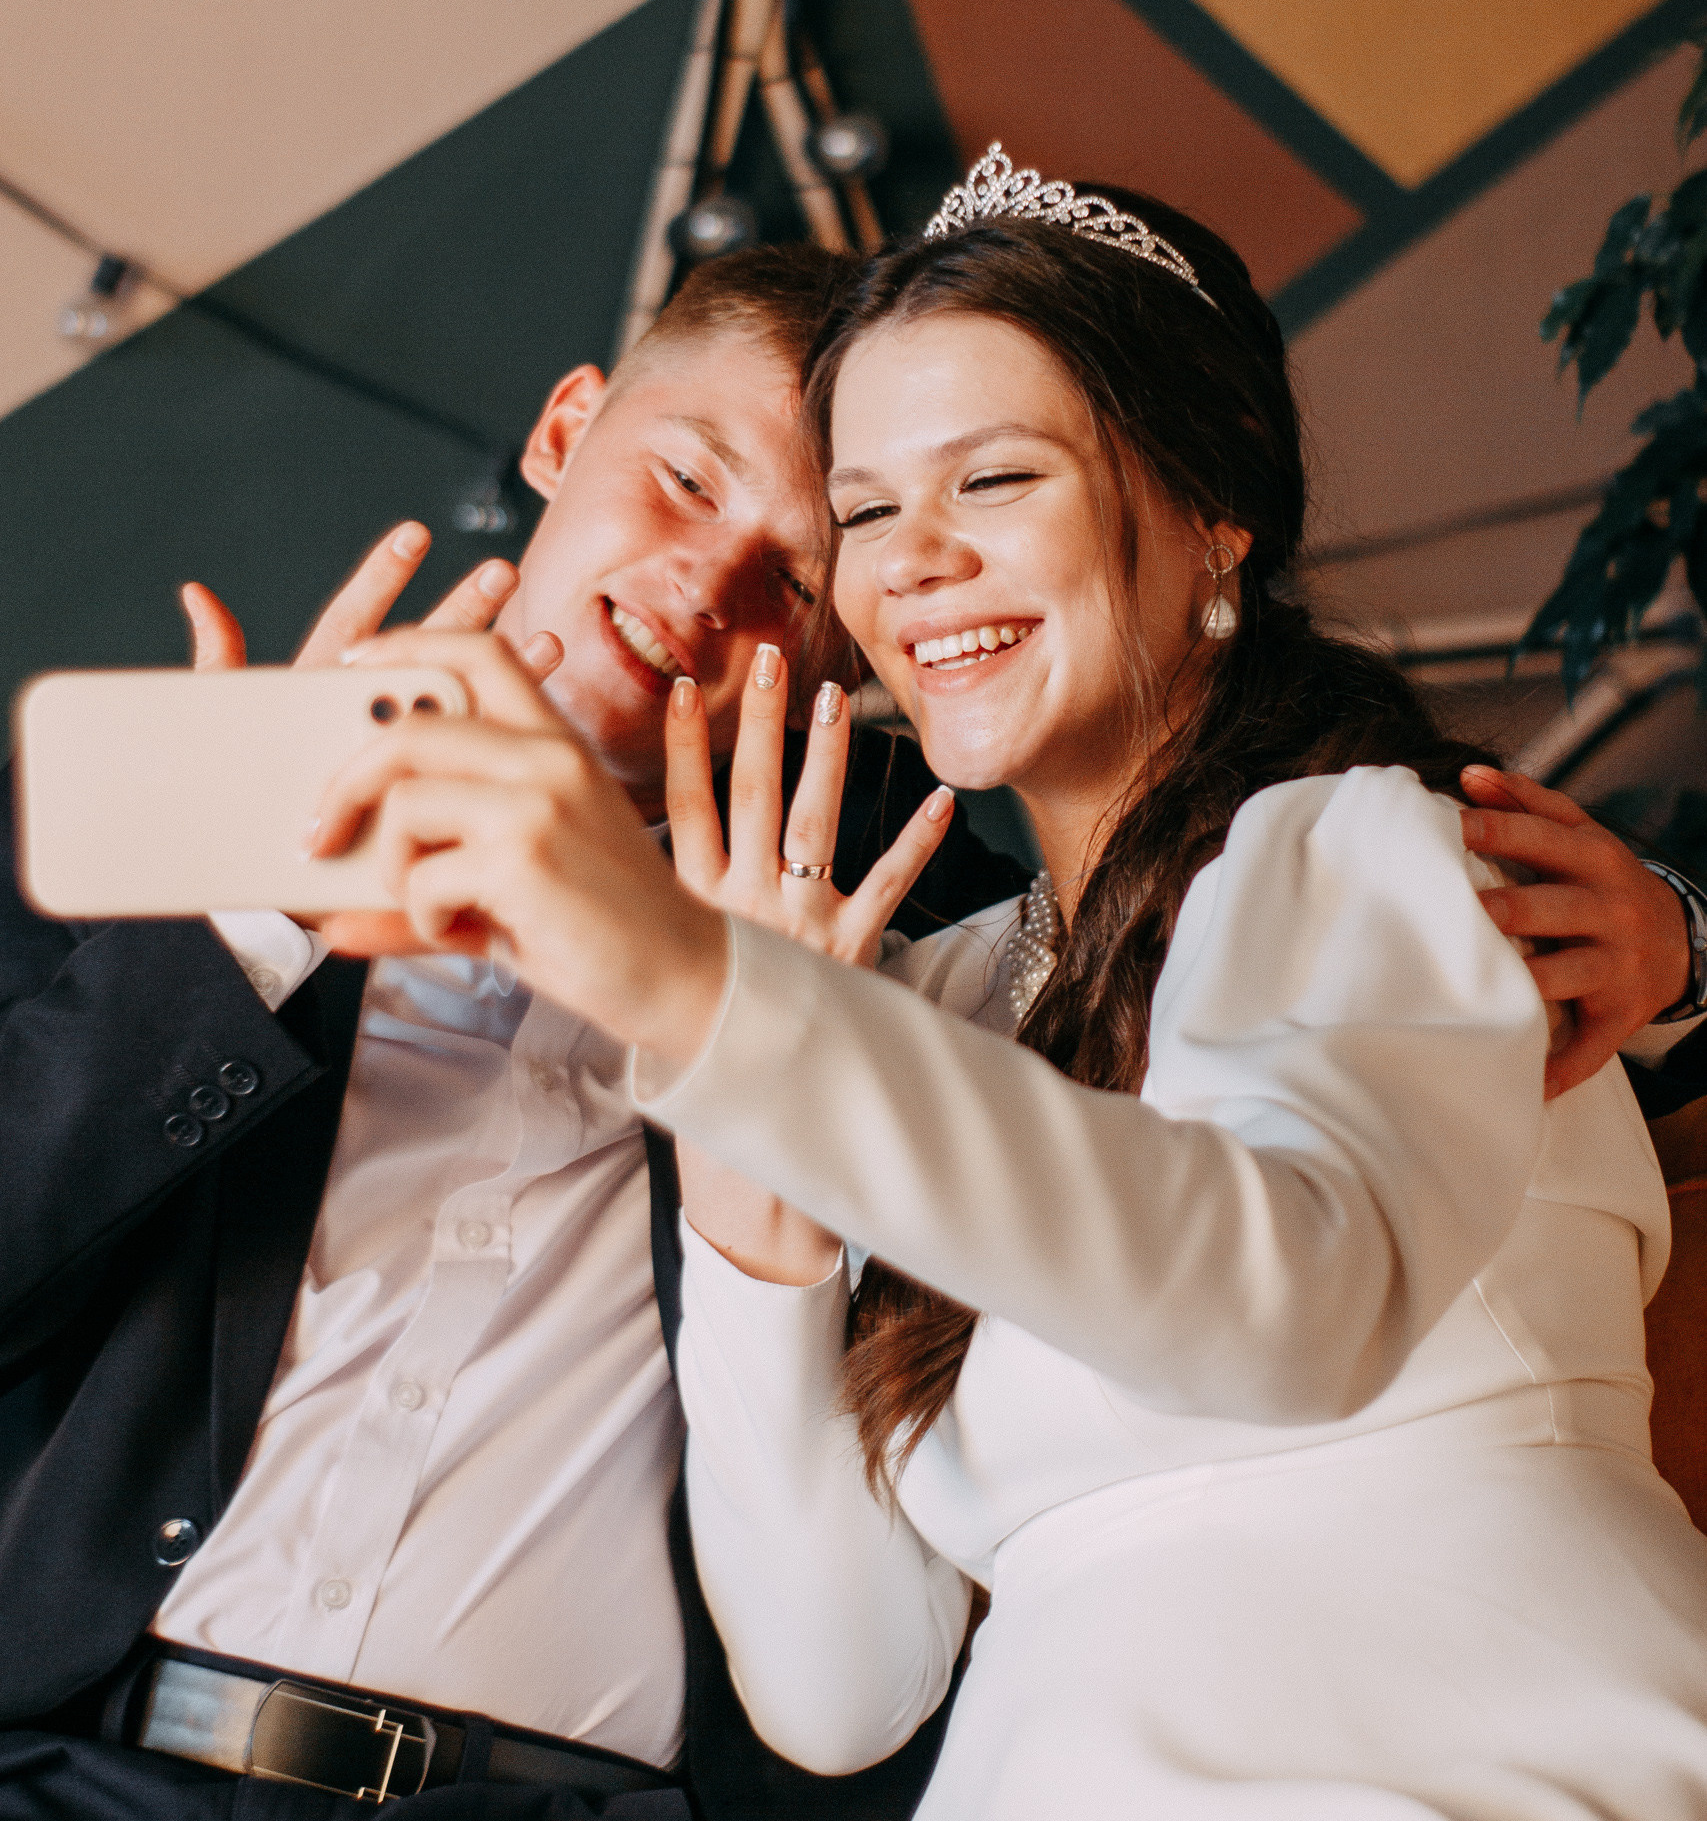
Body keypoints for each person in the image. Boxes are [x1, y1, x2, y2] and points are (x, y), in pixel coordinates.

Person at [311, 157, 1707, 1817]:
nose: (912, 561)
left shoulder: (1382, 846)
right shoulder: (921, 996)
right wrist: (750, 1194)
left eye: (994, 480)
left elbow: (1291, 1311)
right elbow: (842, 1690)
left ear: (1212, 505)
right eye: (865, 513)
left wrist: (702, 998)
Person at [0, 245, 1025, 1821]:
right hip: (84, 1770)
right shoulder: (150, 816)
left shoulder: (914, 955)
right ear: (564, 430)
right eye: (687, 480)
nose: (709, 586)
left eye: (799, 578)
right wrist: (251, 924)